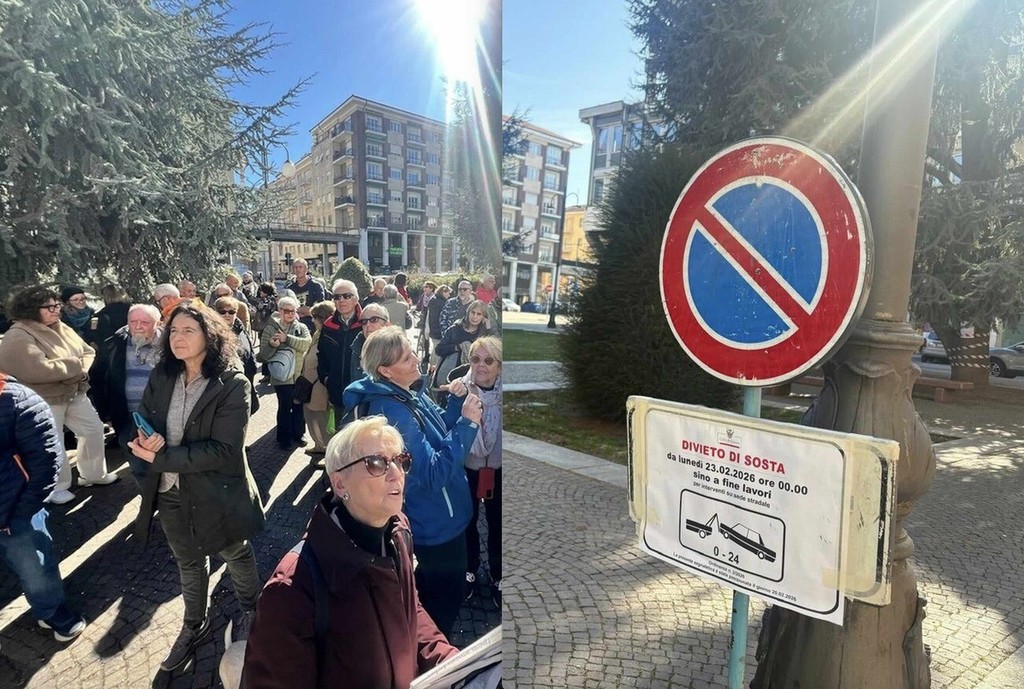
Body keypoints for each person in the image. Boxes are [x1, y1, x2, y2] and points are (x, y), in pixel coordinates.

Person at [242, 417, 459, 688]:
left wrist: (449, 663)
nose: (396, 473)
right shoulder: (291, 588)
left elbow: (409, 610)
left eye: (400, 460)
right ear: (340, 484)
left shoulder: (398, 531)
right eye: (377, 463)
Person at [128, 302, 264, 672]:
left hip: (217, 491)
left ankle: (251, 610)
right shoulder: (163, 375)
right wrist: (145, 437)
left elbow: (224, 450)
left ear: (210, 336)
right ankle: (193, 624)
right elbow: (145, 415)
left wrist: (160, 457)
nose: (178, 337)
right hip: (170, 491)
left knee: (235, 551)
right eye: (173, 330)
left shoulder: (232, 384)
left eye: (188, 330)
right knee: (187, 559)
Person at [343, 327, 482, 635]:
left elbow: (439, 434)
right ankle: (431, 653)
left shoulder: (405, 394)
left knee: (435, 592)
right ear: (385, 370)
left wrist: (456, 404)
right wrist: (469, 424)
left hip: (443, 518)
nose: (417, 359)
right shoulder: (394, 413)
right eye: (407, 358)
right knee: (444, 600)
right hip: (436, 525)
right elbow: (432, 473)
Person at [0, 286, 118, 505]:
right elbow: (36, 369)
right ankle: (57, 486)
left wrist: (79, 370)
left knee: (93, 430)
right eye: (50, 307)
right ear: (31, 308)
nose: (56, 310)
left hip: (74, 391)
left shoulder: (60, 326)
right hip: (43, 399)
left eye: (57, 305)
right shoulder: (18, 335)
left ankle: (93, 474)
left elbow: (87, 351)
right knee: (52, 442)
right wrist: (74, 367)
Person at [0, 373, 88, 641]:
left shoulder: (18, 401)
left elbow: (46, 463)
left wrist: (20, 513)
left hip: (15, 512)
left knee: (34, 566)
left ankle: (51, 611)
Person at [87, 304, 163, 489]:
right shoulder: (114, 344)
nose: (138, 327)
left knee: (166, 464)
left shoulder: (171, 344)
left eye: (145, 322)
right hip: (128, 418)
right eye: (133, 322)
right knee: (138, 466)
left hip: (163, 417)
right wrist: (105, 413)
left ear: (158, 323)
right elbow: (98, 378)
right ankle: (148, 499)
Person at [456, 337, 503, 605]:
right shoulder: (460, 390)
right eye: (475, 359)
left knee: (499, 523)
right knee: (468, 521)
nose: (481, 365)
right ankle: (469, 569)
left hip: (499, 468)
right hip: (468, 466)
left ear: (500, 366)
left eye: (489, 360)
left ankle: (499, 574)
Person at [259, 296, 312, 450]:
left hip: (299, 375)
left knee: (298, 405)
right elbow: (264, 355)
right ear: (280, 311)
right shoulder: (270, 329)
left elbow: (306, 344)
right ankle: (284, 438)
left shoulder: (301, 327)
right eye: (286, 310)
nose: (289, 314)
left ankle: (299, 434)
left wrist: (286, 339)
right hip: (281, 377)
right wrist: (272, 345)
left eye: (292, 311)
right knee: (285, 406)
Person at [317, 280, 363, 416]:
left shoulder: (367, 323)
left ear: (356, 299)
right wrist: (326, 379)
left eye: (346, 296)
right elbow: (321, 354)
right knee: (340, 428)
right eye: (337, 297)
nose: (341, 300)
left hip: (362, 396)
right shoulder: (328, 326)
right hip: (337, 395)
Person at [299, 300, 336, 459]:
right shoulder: (317, 333)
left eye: (315, 317)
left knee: (321, 420)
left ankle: (328, 454)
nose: (312, 320)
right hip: (309, 385)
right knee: (311, 417)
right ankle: (319, 446)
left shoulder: (328, 336)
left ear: (323, 318)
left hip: (319, 387)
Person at [434, 300, 495, 391]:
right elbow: (438, 349)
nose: (474, 317)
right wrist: (457, 347)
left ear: (483, 317)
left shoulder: (484, 334)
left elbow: (493, 352)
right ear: (468, 312)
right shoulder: (455, 330)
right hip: (451, 373)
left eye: (479, 314)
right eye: (473, 312)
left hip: (474, 378)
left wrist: (488, 328)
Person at [215, 296, 260, 415]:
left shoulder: (240, 328)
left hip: (246, 379)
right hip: (227, 385)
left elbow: (249, 351)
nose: (227, 315)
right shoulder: (214, 333)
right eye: (222, 311)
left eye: (231, 311)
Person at [350, 303, 390, 379]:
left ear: (387, 324)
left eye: (374, 319)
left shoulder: (400, 348)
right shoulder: (357, 348)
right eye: (364, 321)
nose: (368, 325)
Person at [286, 258, 327, 331]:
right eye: (295, 267)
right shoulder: (290, 289)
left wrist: (298, 311)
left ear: (306, 269)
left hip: (313, 326)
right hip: (294, 327)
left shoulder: (316, 286)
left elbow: (319, 309)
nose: (298, 270)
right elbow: (287, 310)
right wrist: (303, 310)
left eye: (300, 267)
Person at [426, 284, 450, 364]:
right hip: (438, 330)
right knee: (437, 350)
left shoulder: (434, 300)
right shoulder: (441, 303)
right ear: (443, 292)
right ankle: (433, 366)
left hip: (433, 329)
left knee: (435, 348)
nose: (449, 295)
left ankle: (432, 365)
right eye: (448, 293)